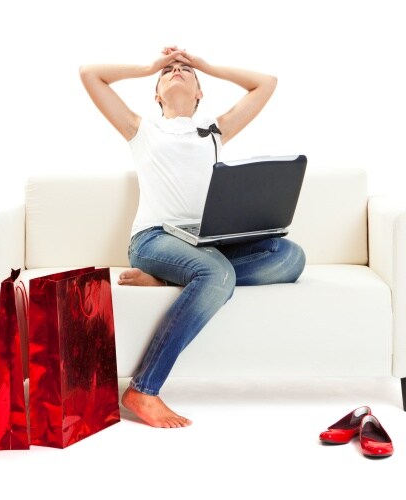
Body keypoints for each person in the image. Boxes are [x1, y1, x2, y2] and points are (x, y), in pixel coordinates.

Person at [79, 47, 306, 428]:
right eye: (168, 71)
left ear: (200, 92)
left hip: (205, 244)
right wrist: (148, 65)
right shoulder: (141, 129)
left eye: (185, 70)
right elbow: (89, 74)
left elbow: (266, 84)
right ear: (157, 94)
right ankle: (143, 390)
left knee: (289, 255)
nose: (177, 71)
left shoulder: (215, 131)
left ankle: (173, 279)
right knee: (218, 275)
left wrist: (206, 65)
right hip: (154, 240)